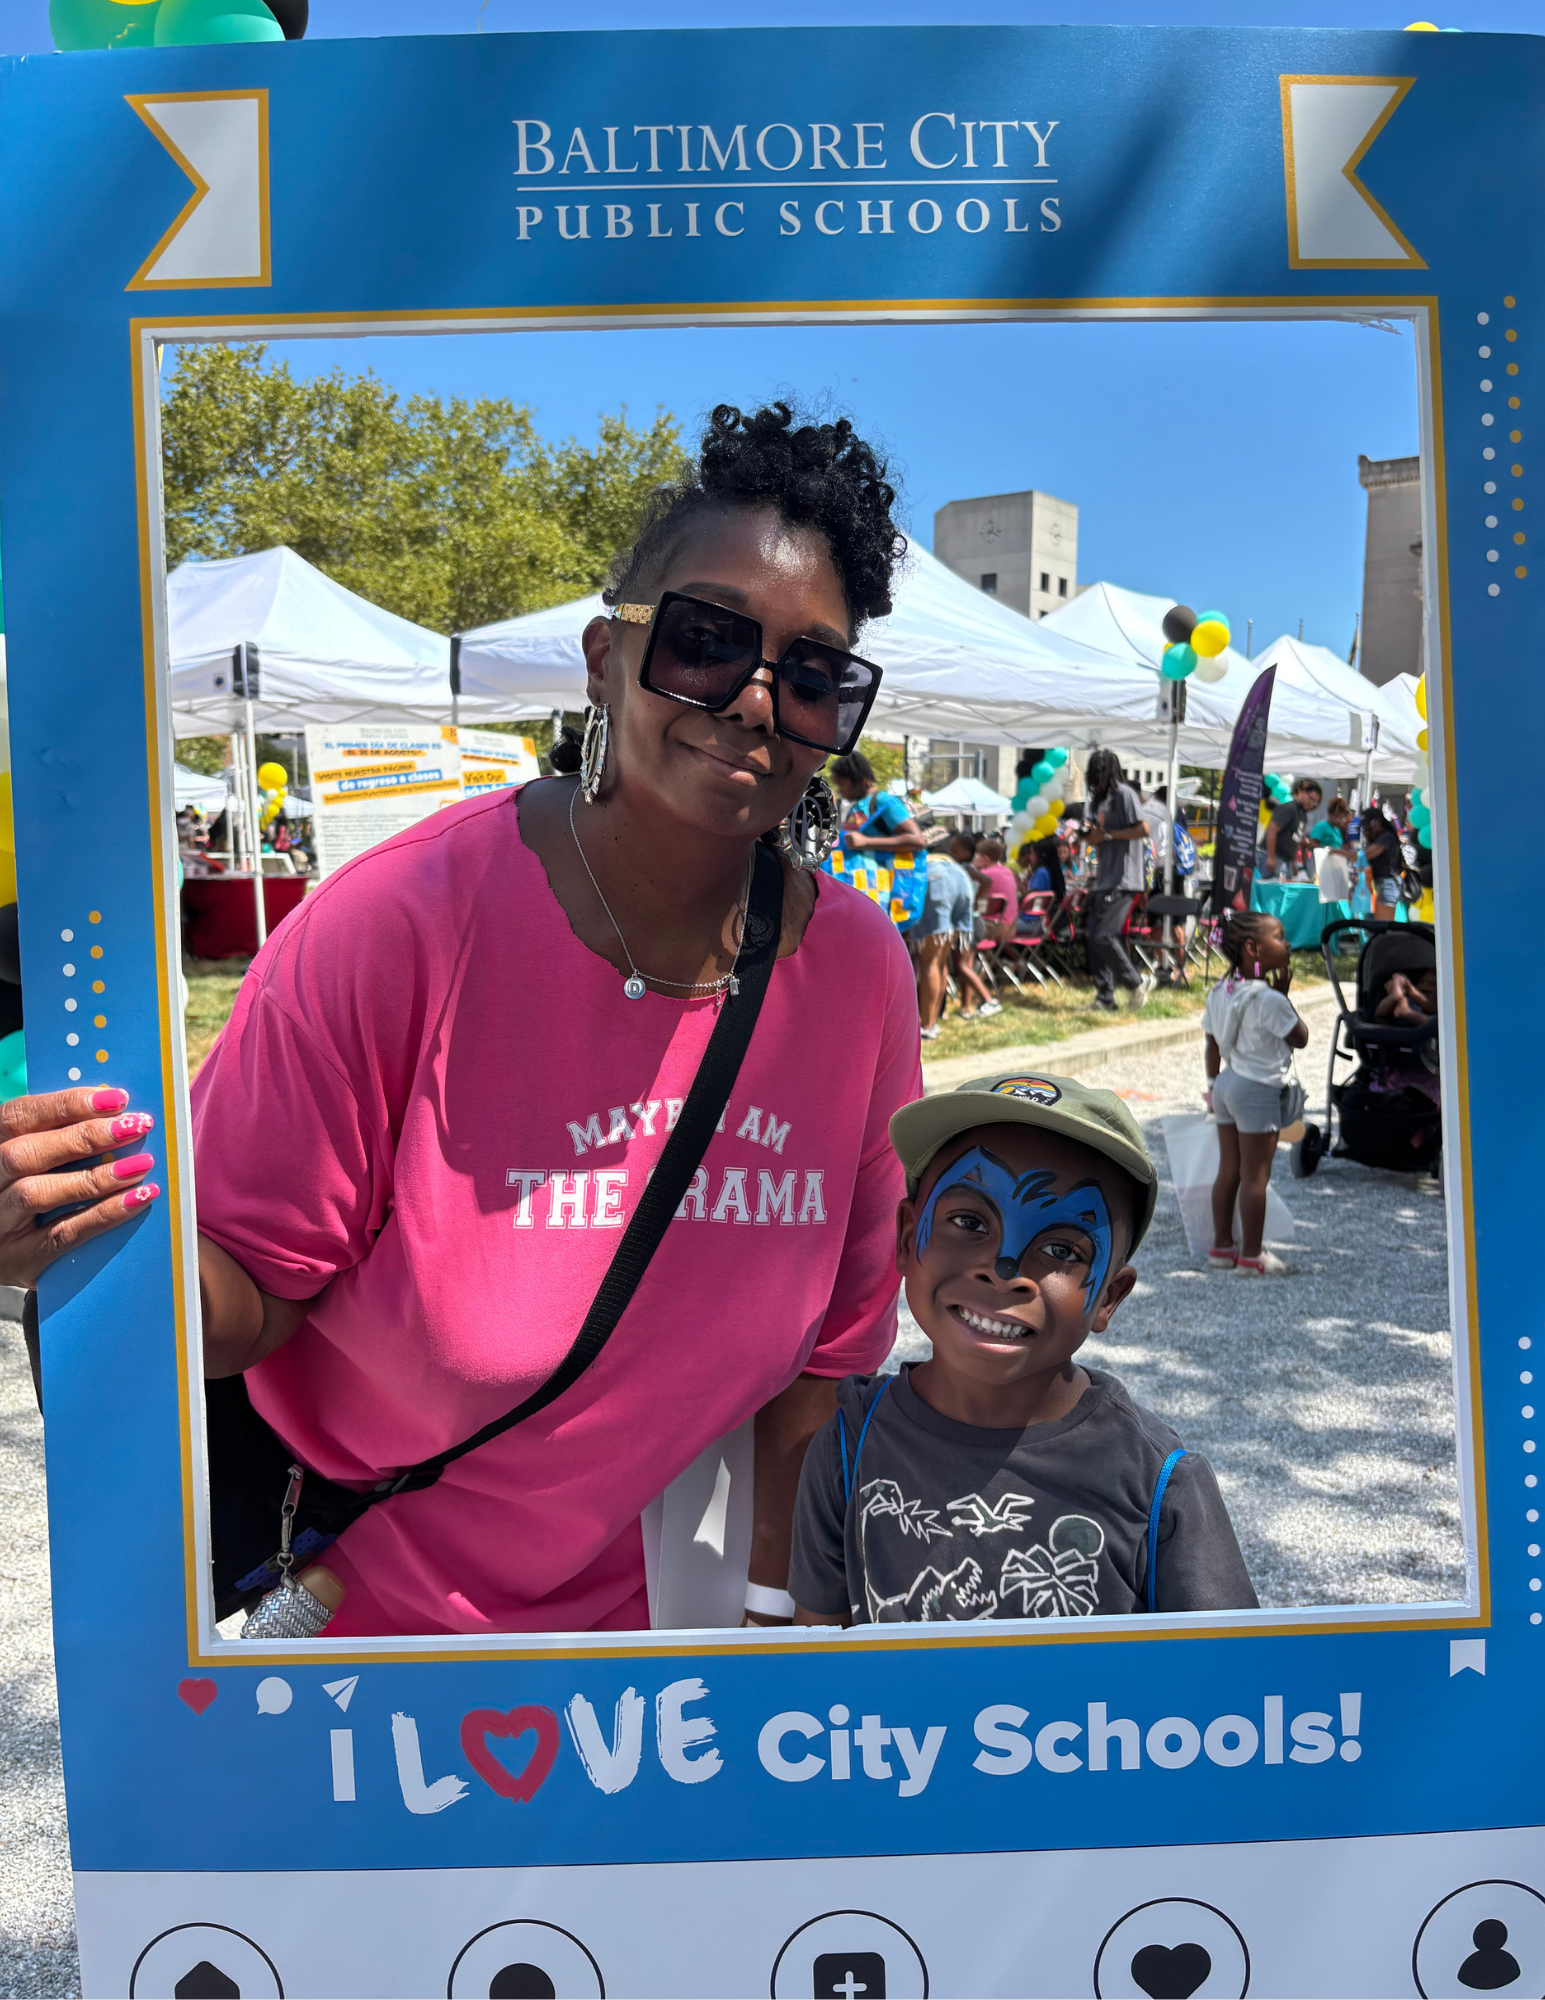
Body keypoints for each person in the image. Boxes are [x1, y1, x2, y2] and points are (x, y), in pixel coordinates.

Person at [0, 401, 926, 1640]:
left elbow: (830, 1357)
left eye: (814, 674)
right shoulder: (399, 922)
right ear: (605, 656)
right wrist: (79, 1234)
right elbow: (250, 1301)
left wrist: (779, 1623)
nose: (758, 700)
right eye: (708, 641)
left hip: (666, 1641)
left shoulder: (859, 973)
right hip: (366, 1619)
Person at [788, 1071, 1258, 1623]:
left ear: (1109, 1296)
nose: (1004, 1269)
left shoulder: (1160, 1488)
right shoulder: (850, 1447)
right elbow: (814, 1675)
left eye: (1061, 1248)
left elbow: (1234, 1690)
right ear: (906, 1239)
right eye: (968, 1221)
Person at [1203, 912, 1309, 1278]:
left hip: (1228, 1084)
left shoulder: (1221, 990)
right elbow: (1301, 1037)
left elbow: (1212, 1043)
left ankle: (1221, 1248)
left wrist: (1212, 1083)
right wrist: (1284, 997)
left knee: (1228, 1170)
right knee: (1256, 1177)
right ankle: (1251, 1257)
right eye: (1280, 936)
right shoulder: (1268, 998)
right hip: (1257, 1090)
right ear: (1253, 948)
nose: (1288, 943)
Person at [1082, 748, 1155, 1013]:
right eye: (1094, 773)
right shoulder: (1095, 801)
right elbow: (1093, 836)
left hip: (1124, 878)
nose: (1096, 778)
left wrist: (1109, 835)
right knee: (1093, 937)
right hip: (1104, 877)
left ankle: (1137, 981)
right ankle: (1105, 999)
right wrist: (1088, 835)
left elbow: (1143, 829)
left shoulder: (1123, 794)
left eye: (1100, 772)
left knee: (1103, 935)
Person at [914, 838, 979, 1041]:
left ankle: (926, 1024)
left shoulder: (927, 863)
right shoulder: (957, 866)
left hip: (937, 879)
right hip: (959, 879)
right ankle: (932, 1021)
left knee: (930, 963)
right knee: (939, 962)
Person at [829, 751, 924, 860]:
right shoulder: (858, 805)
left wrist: (866, 842)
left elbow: (917, 840)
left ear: (860, 780)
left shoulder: (883, 801)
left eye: (842, 785)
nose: (840, 791)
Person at [1262, 777, 1322, 881]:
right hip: (1272, 856)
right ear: (1301, 792)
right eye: (1311, 799)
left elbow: (1295, 839)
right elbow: (1272, 830)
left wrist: (1294, 862)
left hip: (1286, 860)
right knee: (1270, 890)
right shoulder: (1289, 808)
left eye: (1315, 803)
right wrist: (1271, 857)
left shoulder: (1303, 816)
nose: (1311, 804)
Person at [1361, 801, 1405, 921]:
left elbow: (1367, 854)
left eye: (1368, 825)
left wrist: (1343, 853)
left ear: (1377, 822)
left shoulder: (1387, 837)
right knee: (1373, 922)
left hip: (1388, 883)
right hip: (1382, 882)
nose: (1366, 829)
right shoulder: (1382, 837)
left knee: (1382, 924)